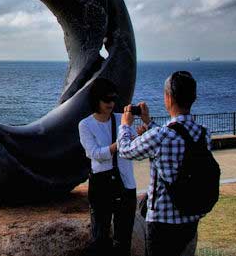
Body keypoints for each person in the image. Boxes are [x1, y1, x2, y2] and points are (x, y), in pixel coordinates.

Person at [117, 70, 212, 256]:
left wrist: (125, 125)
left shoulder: (160, 136)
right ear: (193, 98)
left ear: (168, 98)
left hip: (162, 221)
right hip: (191, 216)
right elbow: (179, 135)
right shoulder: (204, 134)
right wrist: (149, 122)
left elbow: (125, 150)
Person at [78, 78, 137, 256]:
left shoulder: (121, 120)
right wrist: (119, 144)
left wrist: (138, 137)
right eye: (106, 100)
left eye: (113, 99)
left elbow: (133, 149)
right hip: (102, 185)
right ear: (96, 100)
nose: (111, 104)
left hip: (126, 184)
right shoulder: (86, 125)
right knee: (100, 237)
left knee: (124, 238)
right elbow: (94, 154)